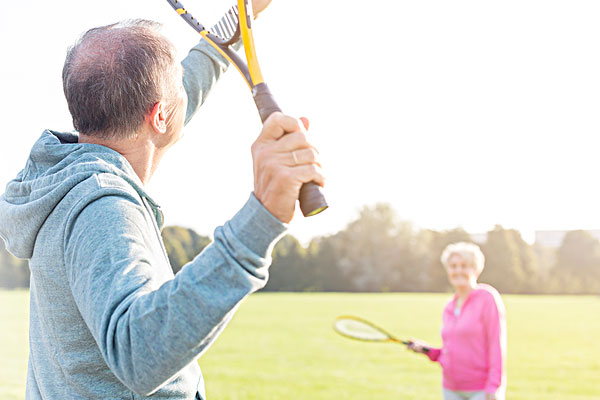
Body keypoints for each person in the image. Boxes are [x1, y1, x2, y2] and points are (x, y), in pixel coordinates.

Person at [0, 2, 324, 398]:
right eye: (177, 79)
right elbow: (138, 352)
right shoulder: (102, 207)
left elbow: (184, 87)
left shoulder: (65, 178)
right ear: (158, 116)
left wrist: (241, 14)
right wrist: (262, 218)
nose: (185, 84)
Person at [407, 242, 507, 400]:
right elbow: (450, 351)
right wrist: (427, 350)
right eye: (453, 266)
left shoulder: (487, 299)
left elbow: (496, 346)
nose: (458, 270)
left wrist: (494, 386)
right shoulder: (449, 306)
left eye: (464, 266)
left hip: (480, 390)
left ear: (475, 269)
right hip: (451, 389)